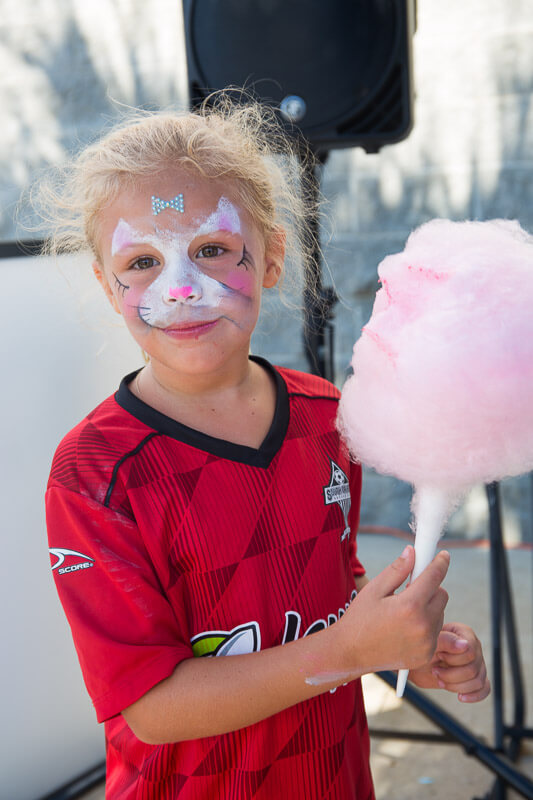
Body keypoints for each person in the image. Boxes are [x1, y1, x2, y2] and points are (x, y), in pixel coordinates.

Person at [43, 98, 490, 800]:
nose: (181, 288)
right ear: (107, 286)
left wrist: (399, 646)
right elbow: (153, 710)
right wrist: (349, 650)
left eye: (213, 250)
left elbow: (326, 598)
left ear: (273, 257)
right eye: (141, 262)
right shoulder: (95, 474)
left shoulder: (326, 417)